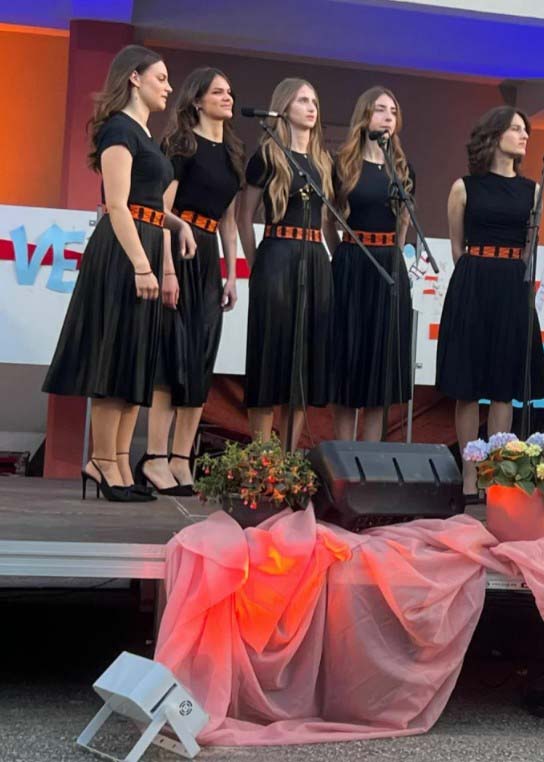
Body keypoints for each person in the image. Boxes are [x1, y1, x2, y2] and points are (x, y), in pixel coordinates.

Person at [43, 45, 174, 502]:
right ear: (134, 78)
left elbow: (150, 204)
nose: (168, 87)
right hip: (124, 250)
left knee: (132, 358)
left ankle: (118, 462)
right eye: (160, 78)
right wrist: (141, 264)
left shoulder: (144, 132)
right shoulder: (120, 129)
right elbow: (117, 205)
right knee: (114, 353)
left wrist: (175, 230)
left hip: (146, 239)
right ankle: (101, 460)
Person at [135, 67, 243, 495]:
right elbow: (160, 210)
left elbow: (229, 221)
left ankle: (182, 460)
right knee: (171, 358)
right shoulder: (181, 145)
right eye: (218, 91)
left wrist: (232, 275)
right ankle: (155, 457)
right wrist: (166, 269)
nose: (228, 97)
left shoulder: (232, 151)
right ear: (197, 100)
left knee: (200, 360)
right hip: (179, 249)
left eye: (229, 91)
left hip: (209, 252)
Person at [436, 106, 544, 500]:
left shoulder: (533, 190)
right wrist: (478, 275)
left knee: (504, 386)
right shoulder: (464, 187)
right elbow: (457, 246)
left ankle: (496, 470)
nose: (524, 135)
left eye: (525, 129)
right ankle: (469, 472)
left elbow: (530, 246)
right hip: (473, 282)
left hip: (512, 285)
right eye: (516, 128)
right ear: (495, 134)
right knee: (467, 385)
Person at [236, 78, 334, 446]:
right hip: (277, 255)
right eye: (302, 100)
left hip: (314, 257)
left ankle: (290, 455)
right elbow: (244, 216)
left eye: (314, 101)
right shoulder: (267, 155)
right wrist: (256, 264)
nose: (311, 108)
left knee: (303, 362)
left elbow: (327, 219)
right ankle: (262, 454)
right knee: (269, 355)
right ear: (284, 107)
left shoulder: (323, 161)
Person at [325, 86, 414, 441]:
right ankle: (343, 453)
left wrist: (393, 257)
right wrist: (344, 256)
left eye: (393, 111)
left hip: (388, 266)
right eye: (380, 109)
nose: (388, 117)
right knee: (349, 358)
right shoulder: (343, 164)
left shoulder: (402, 169)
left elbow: (403, 224)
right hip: (352, 264)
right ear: (364, 115)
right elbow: (328, 221)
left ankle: (371, 452)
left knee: (381, 364)